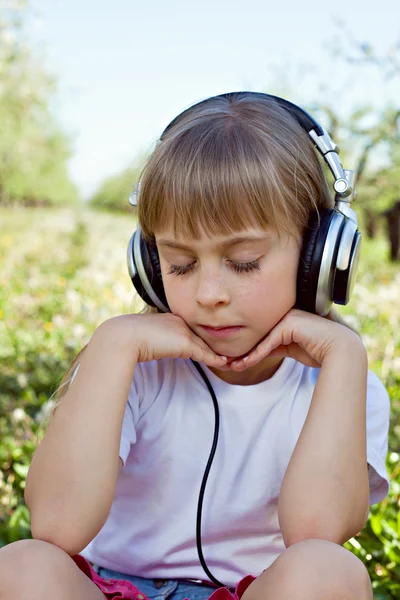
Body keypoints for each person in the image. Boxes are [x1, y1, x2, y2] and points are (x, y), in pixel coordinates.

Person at [0, 92, 390, 600]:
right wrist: (112, 346)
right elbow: (55, 525)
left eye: (245, 261)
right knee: (21, 566)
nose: (209, 294)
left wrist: (343, 360)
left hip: (255, 591)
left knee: (327, 571)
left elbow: (315, 536)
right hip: (113, 588)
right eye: (180, 265)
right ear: (149, 267)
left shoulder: (344, 384)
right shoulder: (131, 369)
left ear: (319, 259)